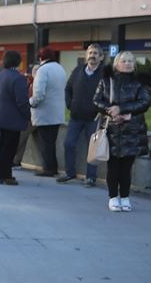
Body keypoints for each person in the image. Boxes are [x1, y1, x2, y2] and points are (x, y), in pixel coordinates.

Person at [93, 51, 151, 212]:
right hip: (111, 128)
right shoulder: (106, 81)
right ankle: (113, 197)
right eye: (124, 60)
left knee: (127, 166)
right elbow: (96, 101)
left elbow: (145, 102)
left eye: (131, 61)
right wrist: (112, 111)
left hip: (133, 130)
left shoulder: (140, 82)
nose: (128, 63)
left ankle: (125, 197)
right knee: (113, 166)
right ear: (116, 63)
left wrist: (123, 110)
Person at [58, 43, 104, 187]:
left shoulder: (104, 73)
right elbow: (68, 89)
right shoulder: (78, 71)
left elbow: (109, 95)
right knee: (69, 144)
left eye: (96, 53)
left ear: (101, 57)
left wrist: (101, 110)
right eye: (90, 52)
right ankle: (69, 173)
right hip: (76, 117)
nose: (92, 55)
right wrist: (70, 104)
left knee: (93, 148)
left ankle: (91, 177)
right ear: (86, 55)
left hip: (94, 118)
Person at [0, 50, 30, 185]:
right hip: (13, 118)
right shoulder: (18, 78)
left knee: (3, 147)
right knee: (10, 148)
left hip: (1, 115)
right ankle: (6, 175)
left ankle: (2, 174)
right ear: (18, 62)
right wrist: (27, 115)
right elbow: (22, 101)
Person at [29, 47, 66, 177]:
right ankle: (52, 167)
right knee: (51, 142)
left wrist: (30, 102)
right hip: (57, 112)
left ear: (40, 58)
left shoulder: (43, 70)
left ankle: (49, 168)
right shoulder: (60, 68)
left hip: (44, 112)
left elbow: (39, 94)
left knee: (45, 143)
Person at [13, 63, 38, 168]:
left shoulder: (37, 83)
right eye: (35, 71)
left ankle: (15, 160)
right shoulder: (27, 82)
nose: (37, 73)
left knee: (21, 137)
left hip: (33, 116)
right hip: (26, 114)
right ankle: (16, 160)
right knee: (21, 138)